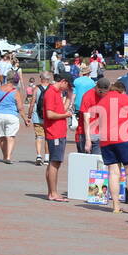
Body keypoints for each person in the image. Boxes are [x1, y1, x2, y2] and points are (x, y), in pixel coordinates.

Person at [94, 79, 128, 215]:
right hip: (124, 138)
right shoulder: (125, 98)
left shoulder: (102, 101)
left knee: (113, 172)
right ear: (121, 90)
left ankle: (115, 205)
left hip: (106, 140)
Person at [41, 72, 72, 200]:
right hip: (55, 133)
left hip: (58, 132)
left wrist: (69, 98)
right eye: (68, 86)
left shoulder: (56, 93)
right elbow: (50, 114)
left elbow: (60, 110)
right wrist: (66, 116)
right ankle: (53, 193)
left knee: (54, 163)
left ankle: (52, 192)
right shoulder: (51, 93)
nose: (68, 89)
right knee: (55, 162)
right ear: (63, 81)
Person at [0, 72, 22, 164]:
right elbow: (20, 107)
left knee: (2, 136)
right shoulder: (15, 92)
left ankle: (4, 156)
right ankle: (8, 157)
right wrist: (25, 118)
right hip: (11, 115)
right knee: (11, 136)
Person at [26, 71, 49, 166]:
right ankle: (47, 158)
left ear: (41, 78)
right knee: (48, 137)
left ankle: (39, 156)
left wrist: (29, 116)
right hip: (49, 117)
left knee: (39, 136)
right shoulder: (52, 88)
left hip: (37, 116)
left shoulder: (36, 88)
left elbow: (32, 103)